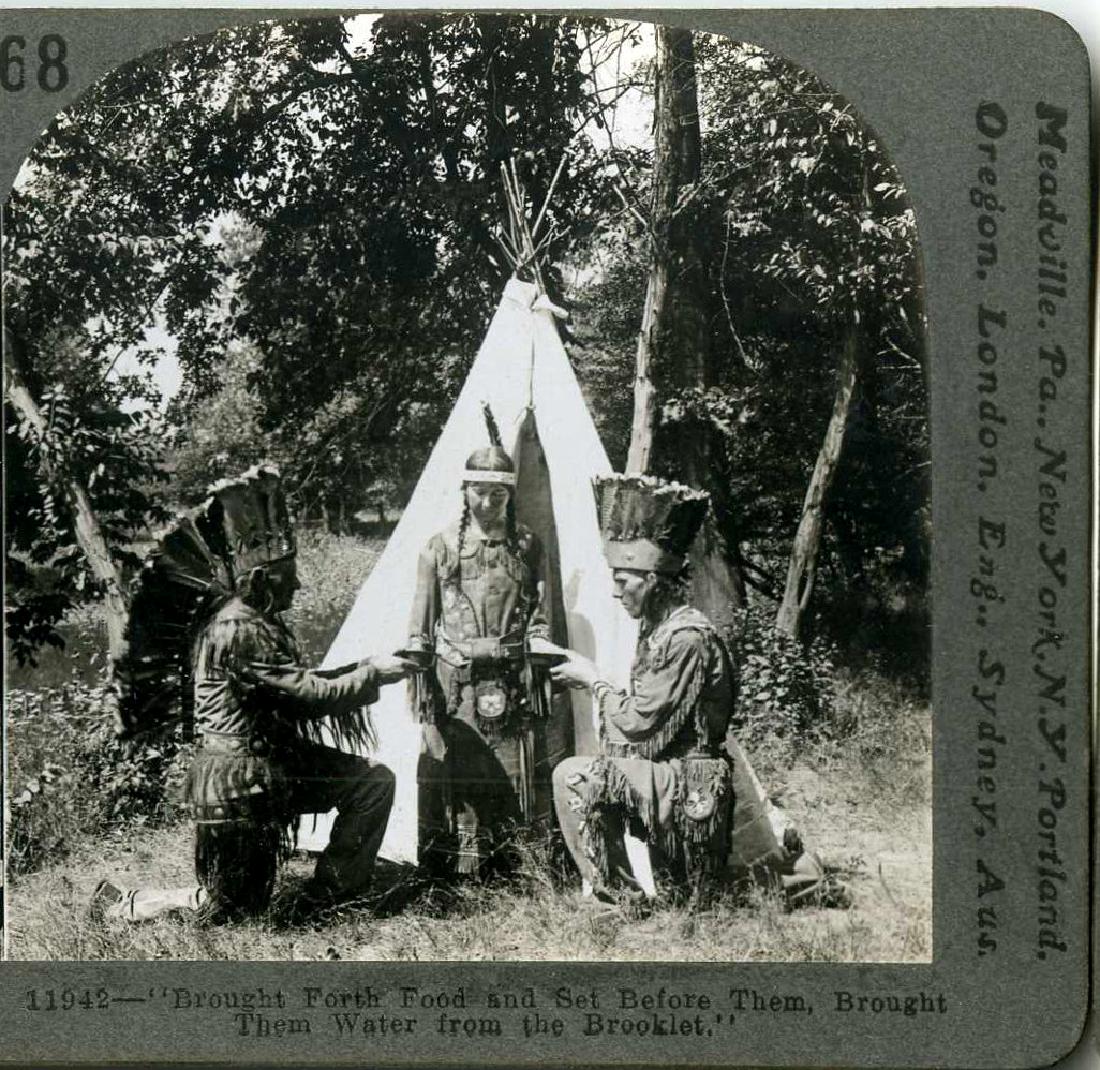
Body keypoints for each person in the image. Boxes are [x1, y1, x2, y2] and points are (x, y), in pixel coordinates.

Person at [91, 465, 414, 924]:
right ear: (262, 579)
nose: (298, 586)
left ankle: (331, 895)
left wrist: (365, 670)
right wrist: (373, 675)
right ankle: (126, 904)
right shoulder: (241, 629)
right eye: (290, 577)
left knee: (372, 782)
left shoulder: (252, 619)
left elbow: (290, 685)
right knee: (234, 910)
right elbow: (306, 695)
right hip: (241, 782)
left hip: (270, 765)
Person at [550, 474, 735, 904]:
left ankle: (615, 900)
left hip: (690, 783)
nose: (616, 592)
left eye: (623, 580)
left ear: (652, 580)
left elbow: (639, 722)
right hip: (669, 775)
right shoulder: (660, 630)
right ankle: (625, 897)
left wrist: (592, 679)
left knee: (573, 776)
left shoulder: (687, 638)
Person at [404, 413, 569, 877]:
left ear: (509, 495)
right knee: (454, 767)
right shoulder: (438, 549)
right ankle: (447, 871)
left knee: (511, 766)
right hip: (454, 680)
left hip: (512, 677)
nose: (489, 501)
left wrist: (536, 649)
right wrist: (420, 670)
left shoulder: (527, 546)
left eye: (499, 493)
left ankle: (509, 867)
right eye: (480, 491)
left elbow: (540, 613)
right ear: (465, 491)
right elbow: (421, 620)